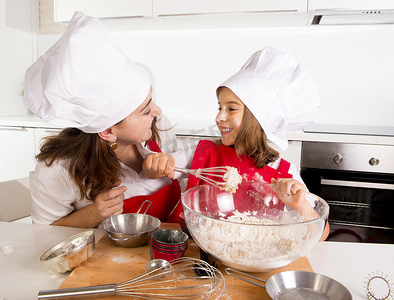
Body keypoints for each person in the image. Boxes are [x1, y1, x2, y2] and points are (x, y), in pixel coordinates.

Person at [24, 12, 190, 227]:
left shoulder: (160, 126)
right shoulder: (58, 170)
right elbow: (42, 234)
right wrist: (93, 213)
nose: (157, 111)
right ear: (107, 131)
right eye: (145, 110)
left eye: (151, 101)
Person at [184, 46, 329, 240]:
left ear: (259, 118)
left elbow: (321, 234)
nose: (219, 116)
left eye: (231, 108)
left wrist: (300, 205)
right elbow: (154, 170)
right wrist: (157, 164)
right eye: (220, 107)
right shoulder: (203, 153)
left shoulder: (284, 173)